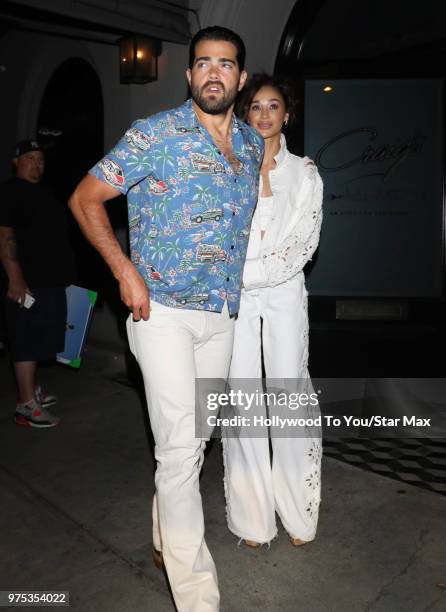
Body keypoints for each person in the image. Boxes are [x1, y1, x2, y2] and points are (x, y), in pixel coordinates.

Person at [68, 26, 263, 612]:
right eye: (202, 62)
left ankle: (162, 537)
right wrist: (124, 271)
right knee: (179, 450)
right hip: (162, 312)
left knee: (194, 442)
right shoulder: (154, 134)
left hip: (220, 315)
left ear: (240, 78)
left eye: (225, 65)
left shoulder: (252, 147)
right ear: (188, 74)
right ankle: (198, 597)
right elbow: (84, 198)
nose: (212, 73)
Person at [222, 74, 323, 548]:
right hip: (235, 300)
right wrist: (234, 279)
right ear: (245, 113)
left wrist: (246, 274)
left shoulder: (305, 173)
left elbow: (303, 244)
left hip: (283, 293)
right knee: (241, 398)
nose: (264, 115)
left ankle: (299, 516)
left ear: (288, 113)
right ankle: (252, 520)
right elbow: (218, 237)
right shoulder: (225, 167)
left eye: (274, 106)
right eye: (256, 107)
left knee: (288, 393)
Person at [0, 140, 76, 427]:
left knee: (42, 338)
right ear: (16, 162)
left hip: (50, 281)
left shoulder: (44, 193)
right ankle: (25, 405)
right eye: (30, 158)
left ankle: (30, 392)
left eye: (41, 159)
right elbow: (4, 236)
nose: (37, 163)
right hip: (27, 283)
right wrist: (15, 278)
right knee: (25, 341)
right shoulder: (9, 192)